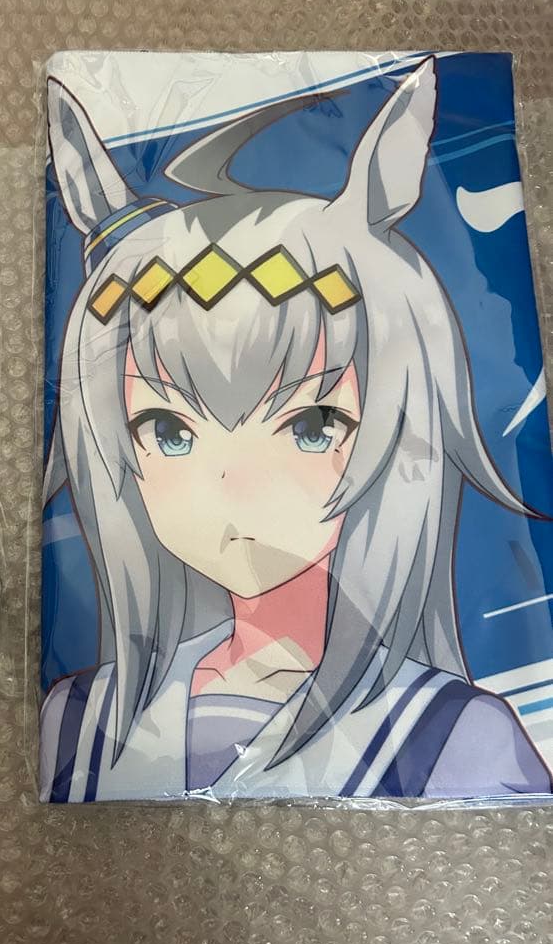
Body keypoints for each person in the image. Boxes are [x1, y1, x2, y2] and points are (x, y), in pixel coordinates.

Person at [40, 58, 553, 802]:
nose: (233, 488)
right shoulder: (80, 722)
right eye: (169, 431)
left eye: (312, 424)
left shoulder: (458, 739)